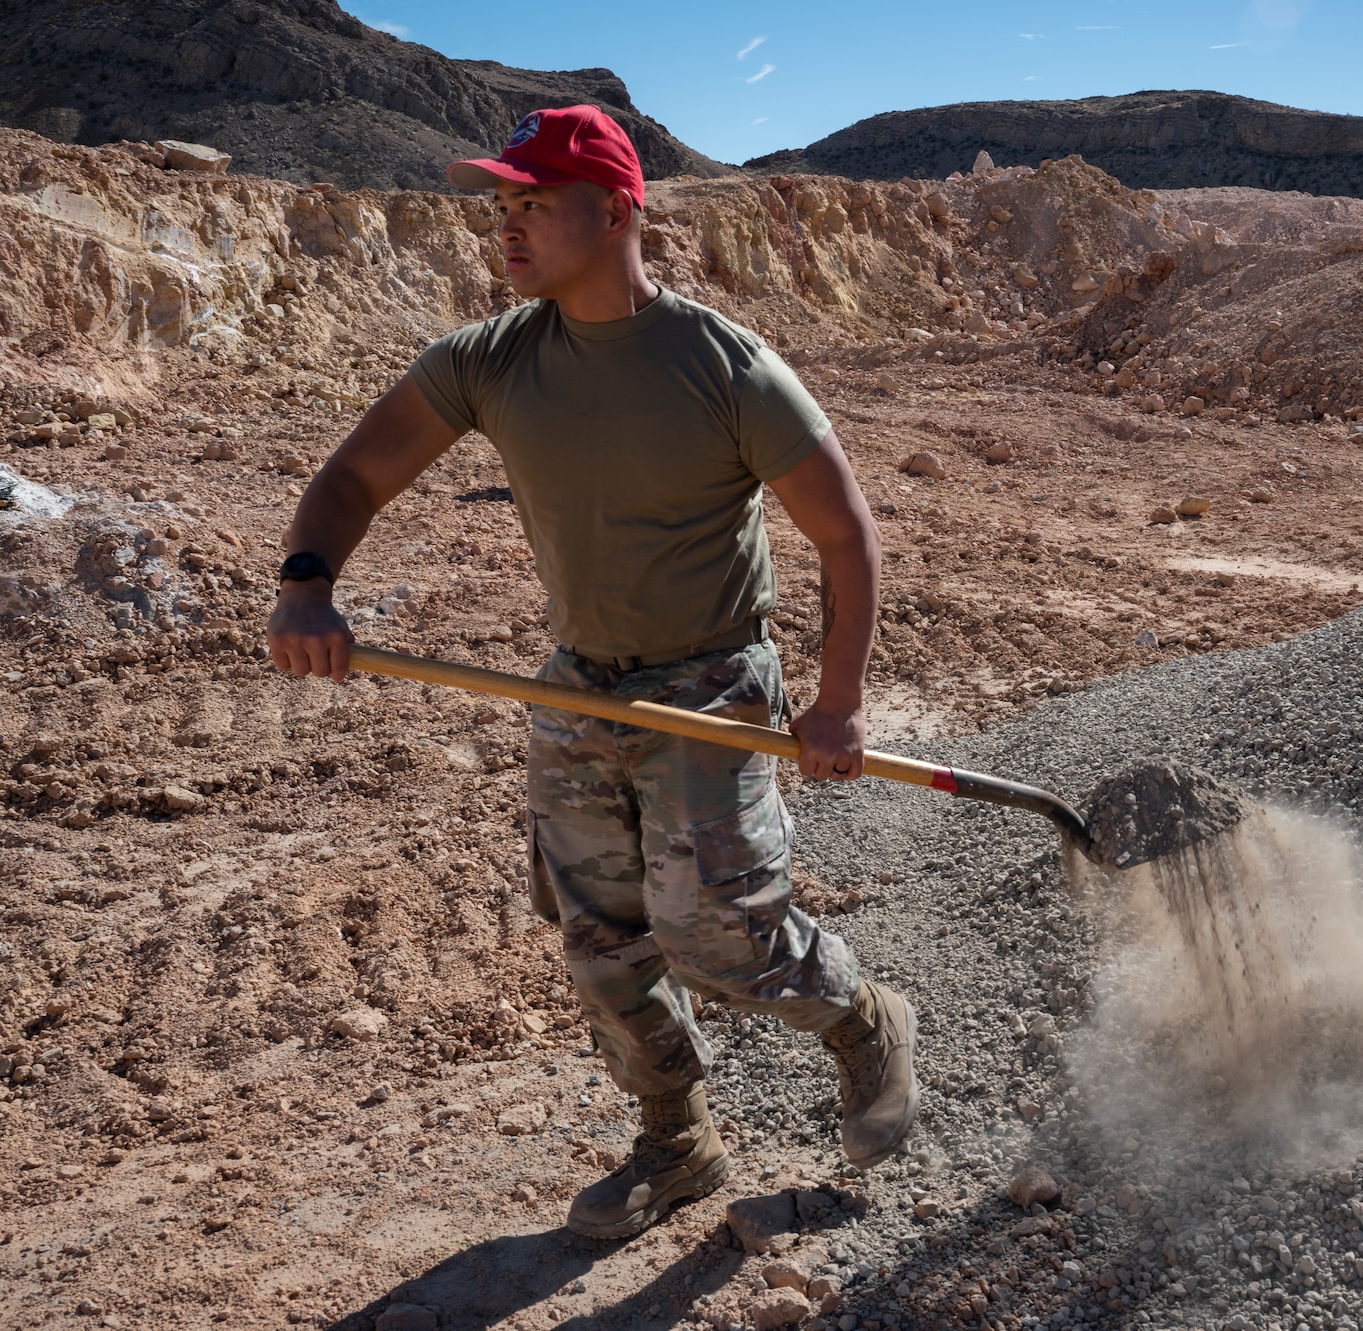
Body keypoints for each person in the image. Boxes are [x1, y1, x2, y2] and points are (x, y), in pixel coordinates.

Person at [264, 105, 918, 1240]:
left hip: (710, 679)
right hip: (577, 683)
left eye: (532, 204)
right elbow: (353, 478)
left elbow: (843, 531)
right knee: (599, 936)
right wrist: (307, 582)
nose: (505, 229)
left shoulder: (723, 365)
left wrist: (838, 701)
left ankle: (863, 1018)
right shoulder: (487, 359)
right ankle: (677, 1139)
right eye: (501, 205)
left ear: (614, 211)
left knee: (717, 930)